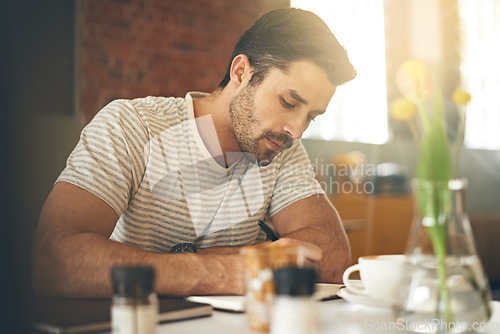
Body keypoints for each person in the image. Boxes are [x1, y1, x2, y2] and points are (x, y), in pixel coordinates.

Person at [31, 7, 356, 298]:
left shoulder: (279, 147)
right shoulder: (131, 126)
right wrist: (228, 272)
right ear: (241, 73)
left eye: (311, 116)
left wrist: (206, 262)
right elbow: (55, 259)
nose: (297, 130)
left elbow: (331, 257)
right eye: (288, 102)